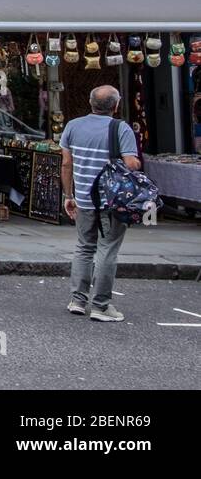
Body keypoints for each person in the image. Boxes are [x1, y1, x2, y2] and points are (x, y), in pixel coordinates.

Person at [61, 85, 140, 322]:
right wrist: (135, 164)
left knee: (84, 247)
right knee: (107, 249)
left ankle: (77, 300)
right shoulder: (121, 128)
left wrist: (68, 195)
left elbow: (66, 164)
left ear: (90, 103)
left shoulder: (72, 126)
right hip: (113, 201)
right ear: (115, 106)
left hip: (84, 198)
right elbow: (130, 162)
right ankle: (101, 305)